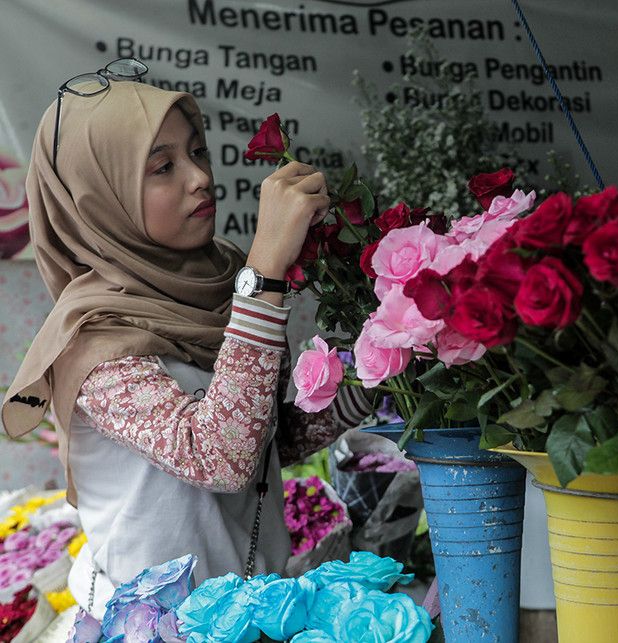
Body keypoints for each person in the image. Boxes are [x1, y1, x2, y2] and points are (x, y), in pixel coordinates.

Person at [0, 62, 370, 619]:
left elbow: (263, 437)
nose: (198, 177)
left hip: (250, 611)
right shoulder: (95, 340)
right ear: (100, 200)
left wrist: (374, 376)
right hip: (156, 626)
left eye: (197, 152)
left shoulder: (219, 285)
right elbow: (219, 457)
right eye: (162, 167)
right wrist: (265, 271)